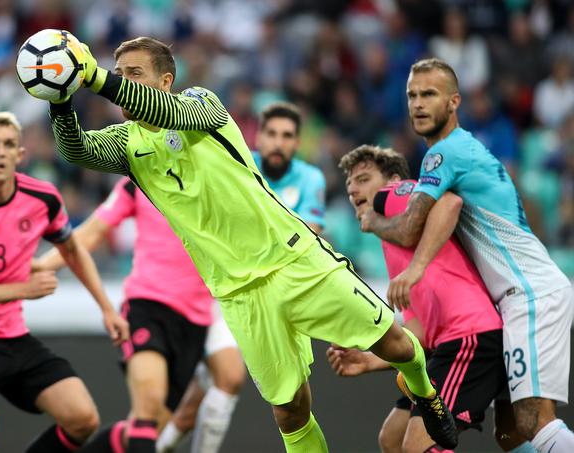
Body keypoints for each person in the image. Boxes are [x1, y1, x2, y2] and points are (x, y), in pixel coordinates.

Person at [42, 36, 459, 452]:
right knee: (290, 410)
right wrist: (59, 97)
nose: (122, 83)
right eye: (118, 75)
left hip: (293, 259)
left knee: (393, 343)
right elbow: (74, 150)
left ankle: (424, 390)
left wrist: (94, 78)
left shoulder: (201, 104)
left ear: (166, 80)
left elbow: (166, 110)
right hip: (239, 293)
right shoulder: (126, 142)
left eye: (134, 74)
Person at [360, 58, 574, 453]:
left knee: (534, 422)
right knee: (511, 434)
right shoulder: (464, 150)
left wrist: (374, 224)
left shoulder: (445, 154)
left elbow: (412, 226)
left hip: (529, 295)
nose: (418, 104)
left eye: (429, 94)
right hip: (513, 300)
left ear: (454, 101)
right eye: (411, 95)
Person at [0, 111, 129, 453]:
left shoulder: (43, 199)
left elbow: (72, 250)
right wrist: (23, 289)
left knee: (83, 418)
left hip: (11, 334)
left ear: (20, 155)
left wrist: (107, 308)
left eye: (8, 144)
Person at [331, 144, 530, 452]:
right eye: (349, 185)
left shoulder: (394, 194)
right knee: (393, 439)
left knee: (420, 446)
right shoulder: (390, 237)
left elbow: (448, 203)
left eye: (363, 179)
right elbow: (419, 332)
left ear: (392, 179)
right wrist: (369, 360)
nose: (353, 189)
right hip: (451, 343)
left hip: (470, 336)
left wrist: (416, 266)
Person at [157, 101, 326, 453]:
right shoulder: (233, 158)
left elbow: (311, 231)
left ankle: (158, 448)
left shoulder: (310, 179)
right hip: (235, 287)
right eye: (272, 134)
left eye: (287, 136)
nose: (278, 142)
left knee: (206, 398)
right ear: (257, 138)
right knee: (231, 379)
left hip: (284, 287)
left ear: (297, 143)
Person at [34, 172, 228, 452]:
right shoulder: (139, 180)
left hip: (195, 320)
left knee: (145, 429)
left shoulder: (216, 181)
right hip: (147, 307)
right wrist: (42, 266)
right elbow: (91, 232)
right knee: (148, 407)